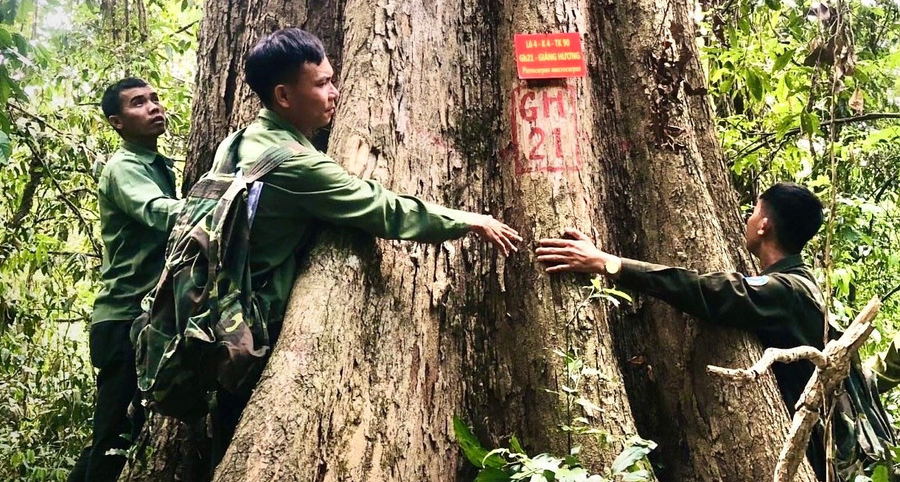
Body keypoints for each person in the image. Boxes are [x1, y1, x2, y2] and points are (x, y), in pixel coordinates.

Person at [209, 27, 522, 463]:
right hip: (251, 333)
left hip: (215, 321)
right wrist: (468, 219)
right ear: (283, 96)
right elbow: (382, 209)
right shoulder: (297, 164)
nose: (335, 92)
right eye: (321, 84)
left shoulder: (239, 140)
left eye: (332, 79)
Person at [536, 182, 834, 480]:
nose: (748, 218)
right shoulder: (800, 282)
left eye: (754, 211)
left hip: (817, 449)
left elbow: (706, 290)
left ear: (764, 226)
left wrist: (607, 263)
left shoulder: (786, 291)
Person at [69, 78, 184, 482]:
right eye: (139, 103)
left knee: (119, 430)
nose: (154, 107)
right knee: (113, 437)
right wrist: (224, 203)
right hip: (122, 320)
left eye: (154, 99)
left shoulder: (155, 165)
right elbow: (157, 211)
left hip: (145, 317)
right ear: (117, 122)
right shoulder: (124, 168)